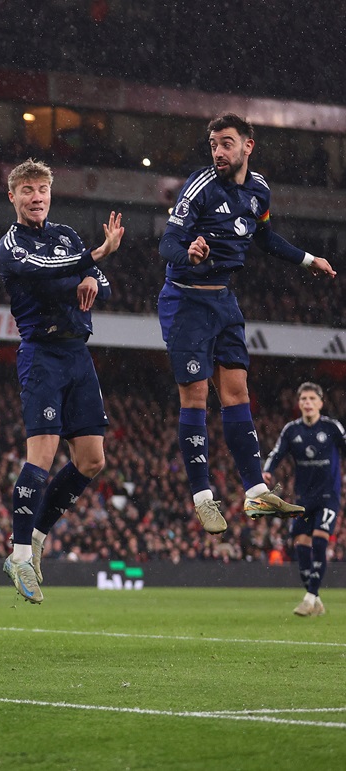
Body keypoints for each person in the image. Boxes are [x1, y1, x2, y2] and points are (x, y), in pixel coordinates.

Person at [159, 113, 336, 534]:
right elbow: (167, 241)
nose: (218, 152)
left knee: (238, 394)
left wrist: (309, 260)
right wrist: (190, 254)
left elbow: (265, 237)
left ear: (247, 146)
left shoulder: (258, 191)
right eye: (214, 144)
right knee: (197, 397)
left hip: (224, 300)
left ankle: (255, 491)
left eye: (226, 143)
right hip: (186, 301)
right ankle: (203, 496)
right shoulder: (200, 185)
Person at [0, 159, 121, 603]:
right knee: (43, 458)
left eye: (42, 189)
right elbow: (43, 275)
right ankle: (17, 553)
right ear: (13, 197)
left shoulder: (66, 236)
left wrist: (90, 273)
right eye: (27, 190)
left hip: (77, 355)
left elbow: (102, 288)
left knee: (92, 460)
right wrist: (93, 259)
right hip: (42, 356)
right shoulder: (11, 245)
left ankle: (37, 536)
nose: (36, 197)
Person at [262, 382, 346, 617]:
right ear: (298, 404)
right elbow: (277, 452)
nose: (307, 403)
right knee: (300, 544)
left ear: (321, 402)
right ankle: (315, 598)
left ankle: (309, 598)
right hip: (303, 497)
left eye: (312, 399)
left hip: (329, 495)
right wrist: (267, 470)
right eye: (303, 399)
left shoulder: (332, 427)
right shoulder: (291, 430)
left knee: (320, 537)